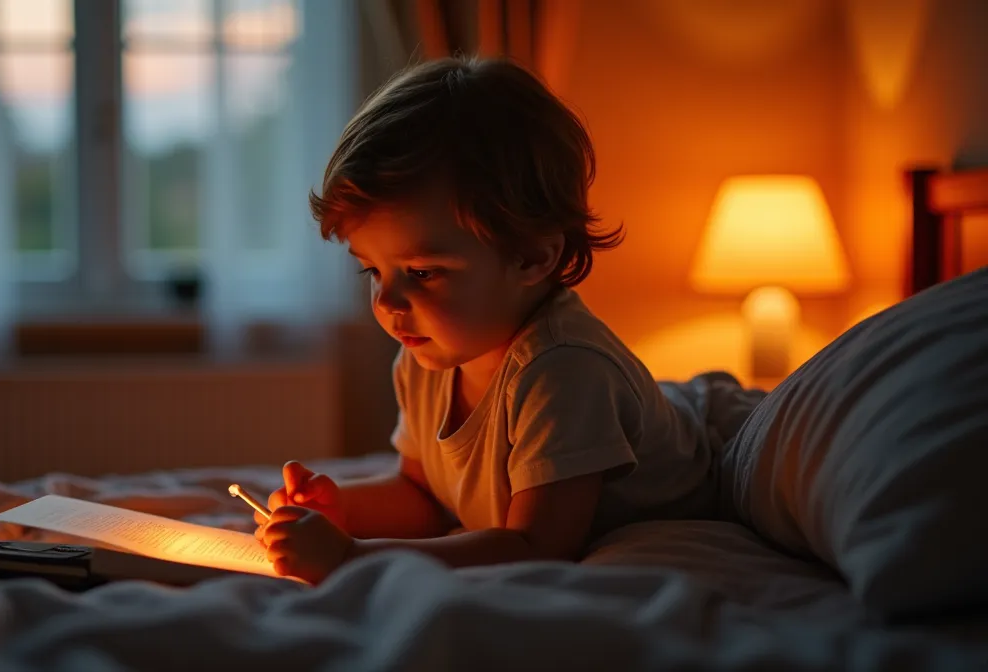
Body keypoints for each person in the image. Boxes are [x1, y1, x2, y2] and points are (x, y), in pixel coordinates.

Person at [256, 57, 712, 584]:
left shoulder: (562, 374)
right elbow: (425, 496)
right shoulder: (426, 355)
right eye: (371, 270)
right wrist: (336, 509)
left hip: (699, 469)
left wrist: (351, 559)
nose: (387, 302)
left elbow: (536, 546)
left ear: (531, 258)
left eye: (422, 272)